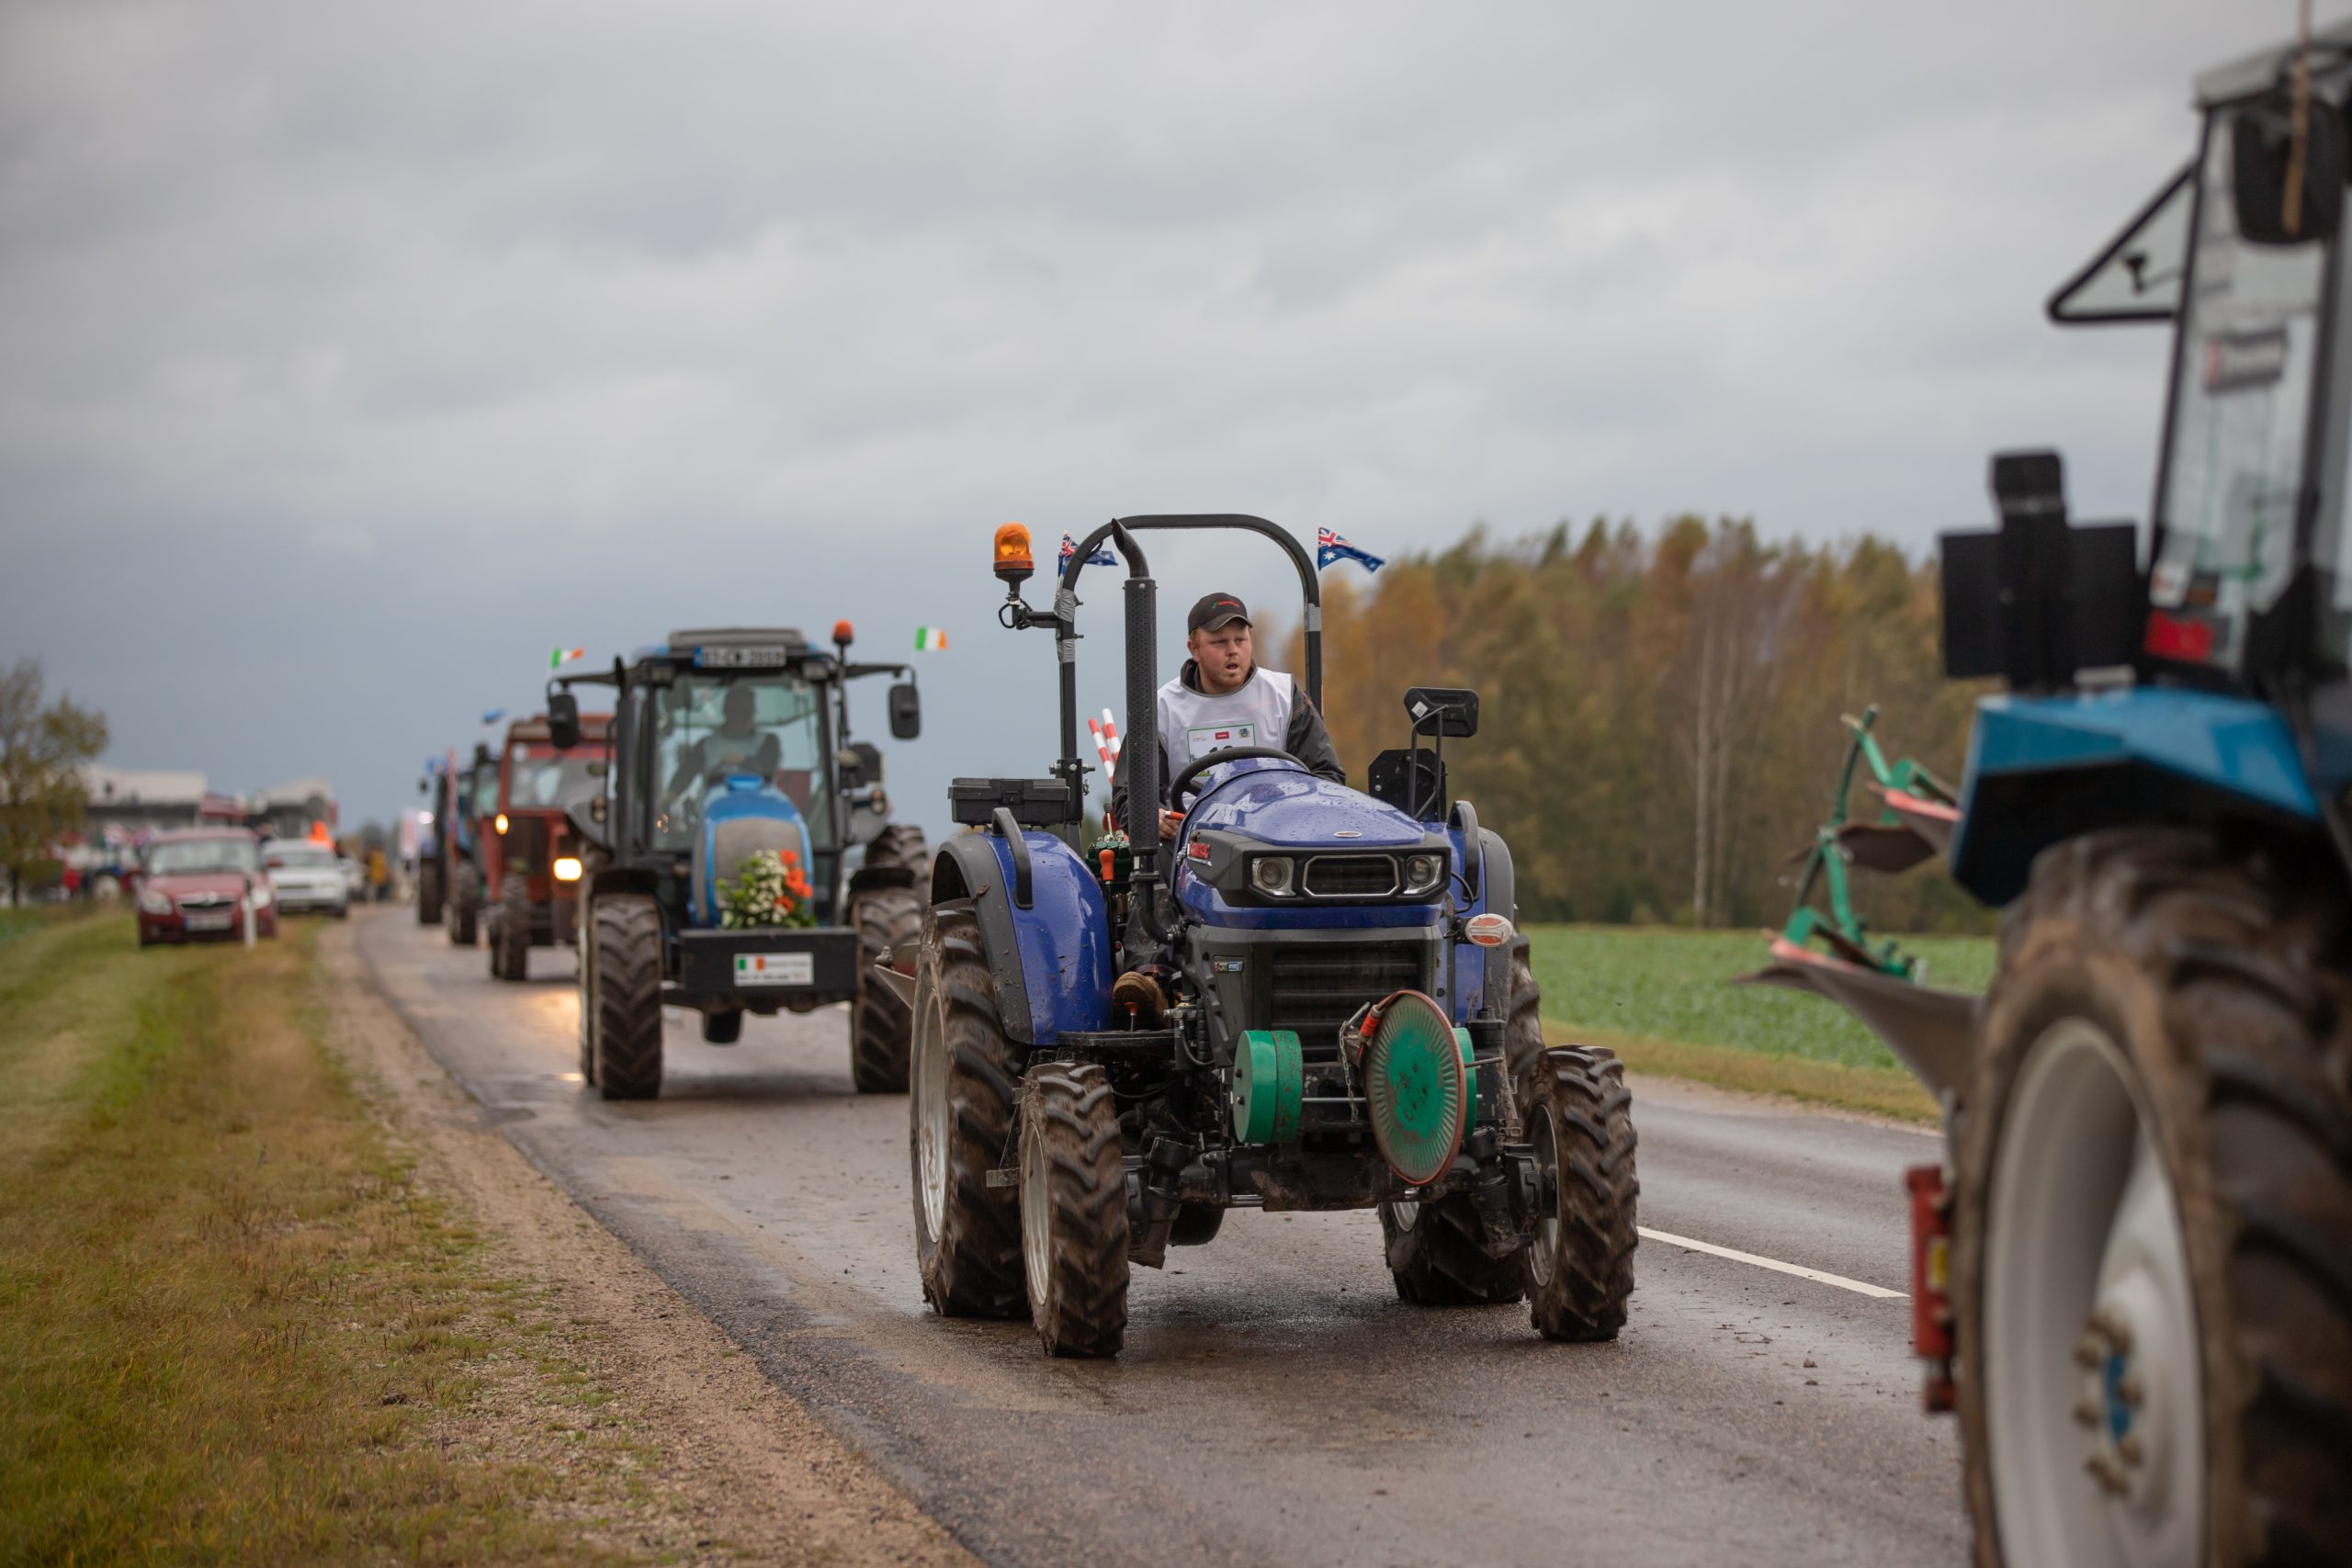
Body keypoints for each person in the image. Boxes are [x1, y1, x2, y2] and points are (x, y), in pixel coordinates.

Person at [1112, 592, 1344, 840]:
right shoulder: (1162, 708)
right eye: (1220, 642)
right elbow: (1129, 796)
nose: (1233, 650)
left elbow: (1326, 776)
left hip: (1274, 839)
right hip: (1189, 842)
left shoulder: (1285, 696)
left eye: (1240, 640)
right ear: (1194, 649)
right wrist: (1152, 817)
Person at [664, 683, 782, 804]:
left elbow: (769, 770)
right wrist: (669, 797)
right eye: (738, 711)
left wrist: (744, 760)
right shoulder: (707, 745)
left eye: (748, 711)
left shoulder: (768, 741)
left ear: (754, 712)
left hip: (759, 806)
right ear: (726, 711)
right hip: (713, 806)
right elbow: (686, 773)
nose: (744, 717)